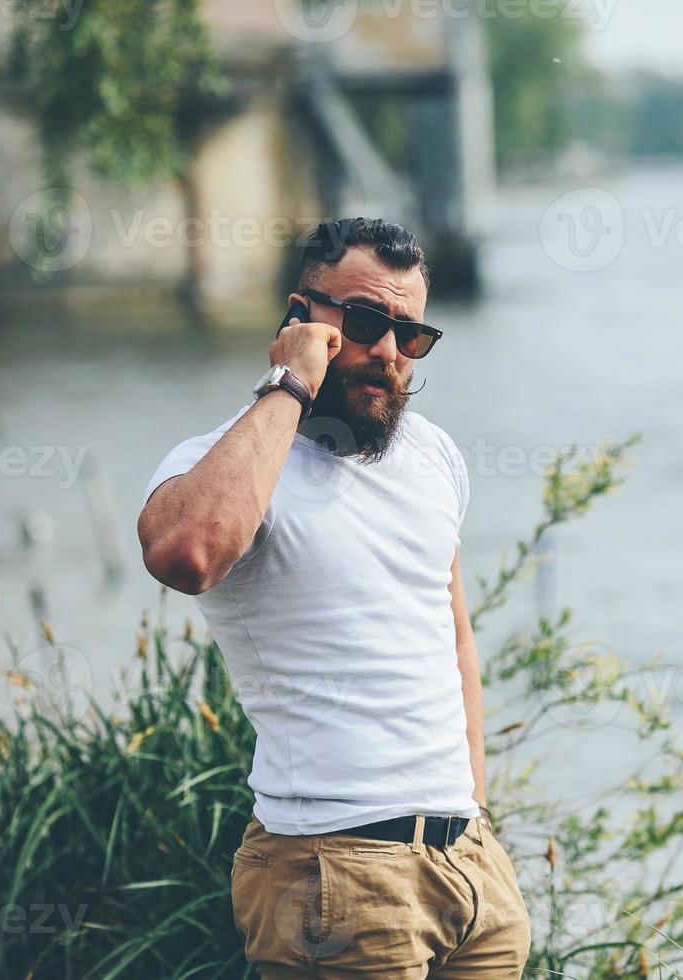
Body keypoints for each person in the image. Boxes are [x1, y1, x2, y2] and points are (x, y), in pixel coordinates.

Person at [137, 218, 531, 978]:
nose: (386, 351)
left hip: (469, 874)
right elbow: (186, 555)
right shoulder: (222, 463)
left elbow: (453, 642)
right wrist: (289, 385)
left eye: (408, 334)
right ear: (299, 319)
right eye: (362, 321)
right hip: (336, 872)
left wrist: (476, 815)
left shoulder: (434, 456)